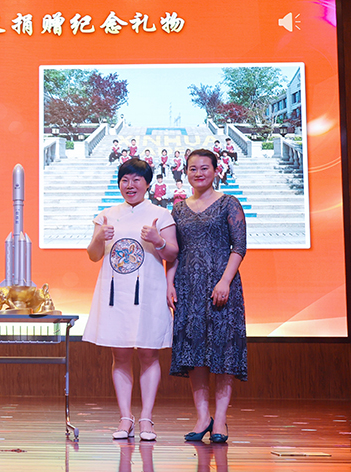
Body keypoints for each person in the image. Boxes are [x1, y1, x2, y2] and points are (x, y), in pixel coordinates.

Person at [83, 158, 179, 442]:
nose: (130, 185)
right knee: (120, 354)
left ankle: (147, 418)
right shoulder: (106, 215)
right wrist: (99, 238)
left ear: (148, 183)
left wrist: (158, 240)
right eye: (125, 180)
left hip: (149, 291)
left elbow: (173, 254)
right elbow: (93, 256)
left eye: (137, 179)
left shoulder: (161, 215)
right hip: (115, 293)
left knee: (149, 353)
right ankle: (125, 417)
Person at [166, 149, 247, 444]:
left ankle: (221, 419)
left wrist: (225, 281)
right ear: (185, 172)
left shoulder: (229, 203)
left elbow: (239, 246)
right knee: (194, 353)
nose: (198, 173)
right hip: (188, 288)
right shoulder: (177, 209)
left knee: (223, 352)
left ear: (215, 170)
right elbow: (174, 253)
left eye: (204, 168)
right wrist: (169, 283)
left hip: (222, 287)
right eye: (192, 168)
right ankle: (203, 417)